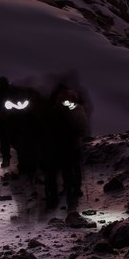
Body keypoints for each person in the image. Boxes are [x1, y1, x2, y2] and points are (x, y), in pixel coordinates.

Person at [42, 83, 90, 211]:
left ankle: (71, 191)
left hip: (69, 145)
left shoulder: (73, 110)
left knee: (69, 169)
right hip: (64, 146)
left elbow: (82, 127)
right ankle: (70, 191)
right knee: (68, 169)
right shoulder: (59, 111)